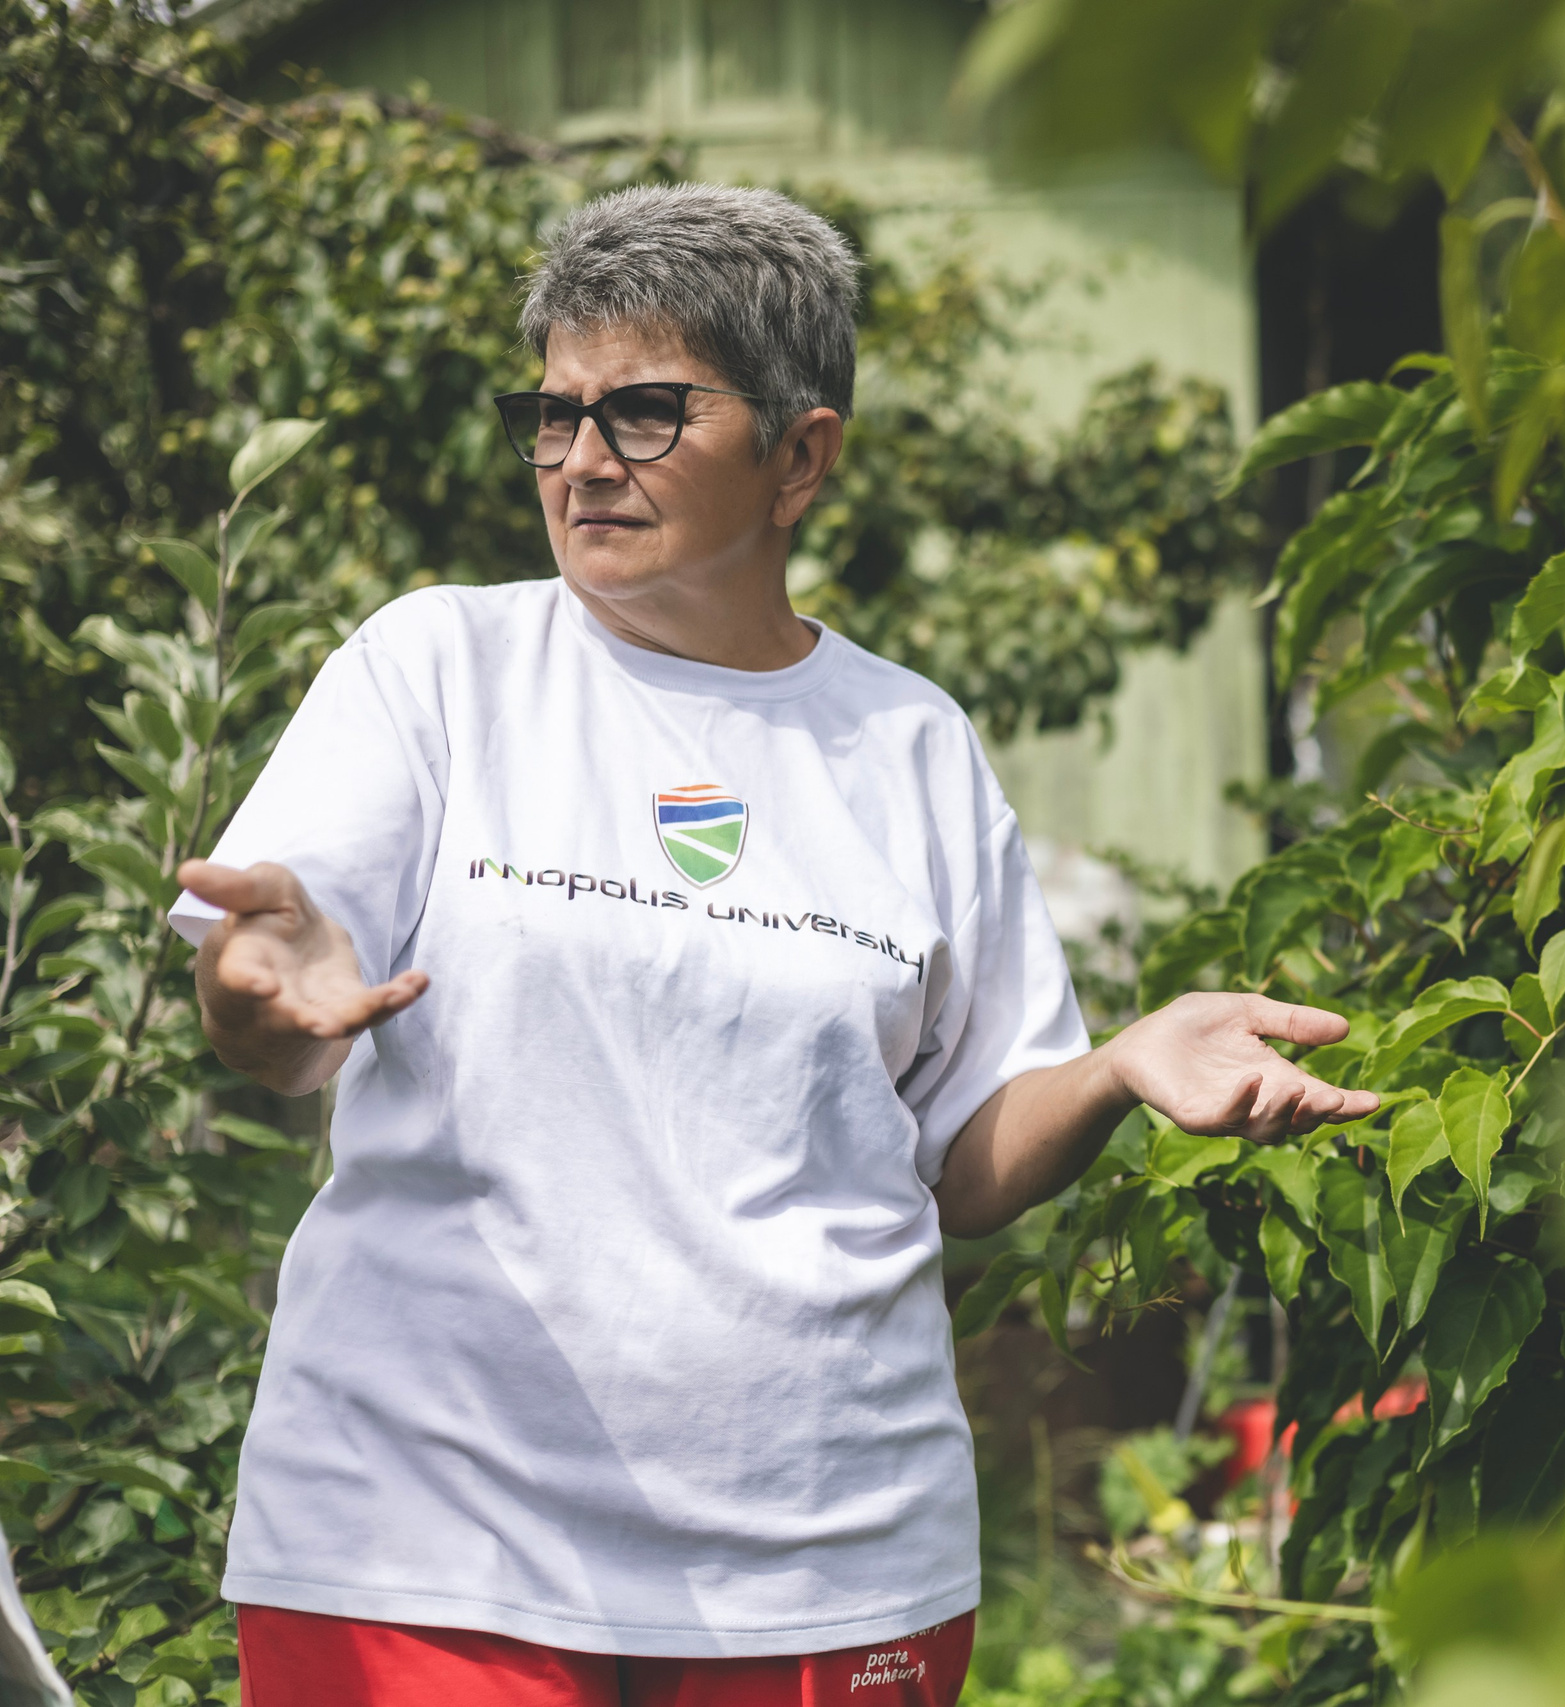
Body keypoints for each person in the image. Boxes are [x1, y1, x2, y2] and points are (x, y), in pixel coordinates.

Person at [169, 182, 1377, 1707]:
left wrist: (1120, 1068)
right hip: (433, 1544)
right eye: (552, 415)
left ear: (803, 453)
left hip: (829, 1556)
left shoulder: (909, 743)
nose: (583, 461)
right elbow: (281, 980)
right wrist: (265, 992)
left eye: (648, 412)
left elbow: (962, 1155)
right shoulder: (441, 669)